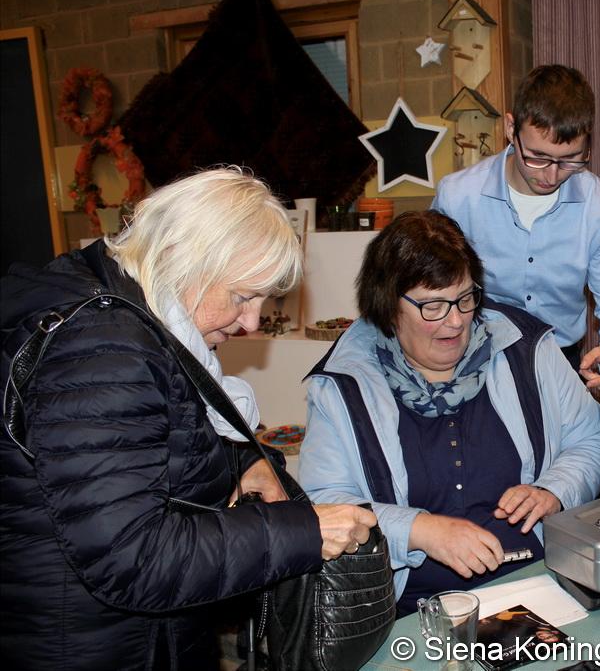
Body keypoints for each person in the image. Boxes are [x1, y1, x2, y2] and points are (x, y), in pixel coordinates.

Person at [0, 168, 377, 670]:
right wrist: (302, 532)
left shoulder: (117, 304)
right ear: (186, 261)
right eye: (243, 297)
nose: (251, 322)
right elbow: (133, 558)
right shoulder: (104, 350)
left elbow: (148, 438)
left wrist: (243, 460)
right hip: (102, 649)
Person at [299, 210, 600, 613]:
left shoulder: (525, 349)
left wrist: (556, 489)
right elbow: (323, 502)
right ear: (388, 306)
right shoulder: (344, 384)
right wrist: (419, 530)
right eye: (433, 306)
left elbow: (596, 436)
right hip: (411, 607)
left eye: (465, 299)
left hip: (537, 579)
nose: (455, 321)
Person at [432, 64, 600, 392]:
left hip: (561, 362)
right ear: (510, 128)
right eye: (537, 157)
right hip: (474, 359)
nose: (551, 175)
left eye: (571, 159)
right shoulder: (458, 197)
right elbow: (430, 291)